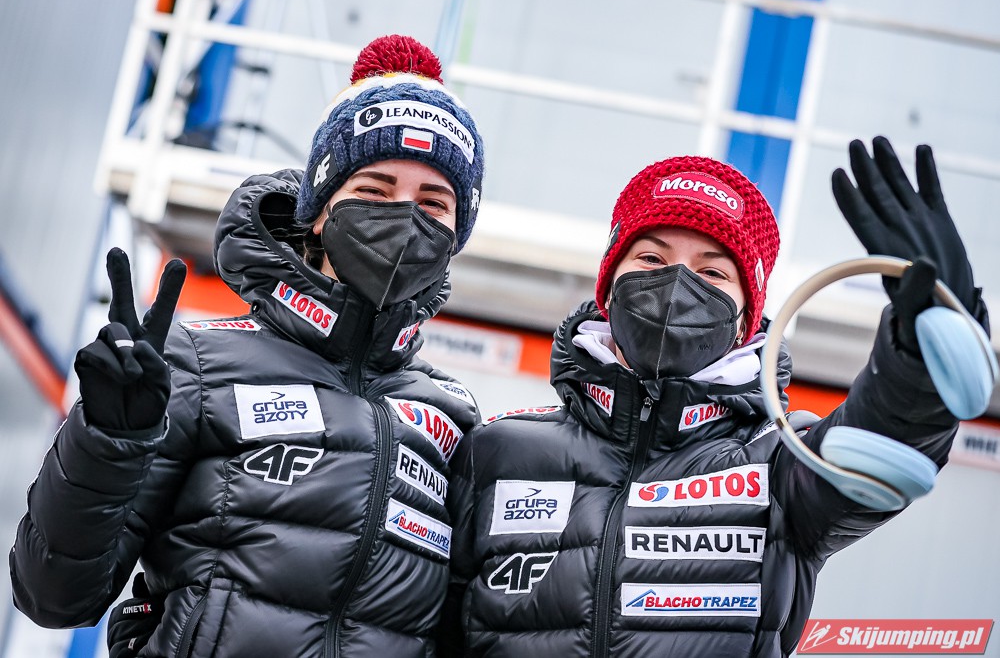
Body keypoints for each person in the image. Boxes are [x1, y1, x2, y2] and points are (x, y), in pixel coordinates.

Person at [10, 34, 486, 658]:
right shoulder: (197, 365)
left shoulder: (455, 417)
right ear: (320, 210)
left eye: (433, 203)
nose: (404, 217)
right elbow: (52, 596)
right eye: (374, 190)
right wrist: (108, 440)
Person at [437, 137, 990, 657]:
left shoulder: (782, 465)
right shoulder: (498, 450)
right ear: (607, 288)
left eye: (712, 272)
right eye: (651, 260)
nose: (678, 285)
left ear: (747, 320)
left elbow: (886, 444)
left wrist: (925, 347)